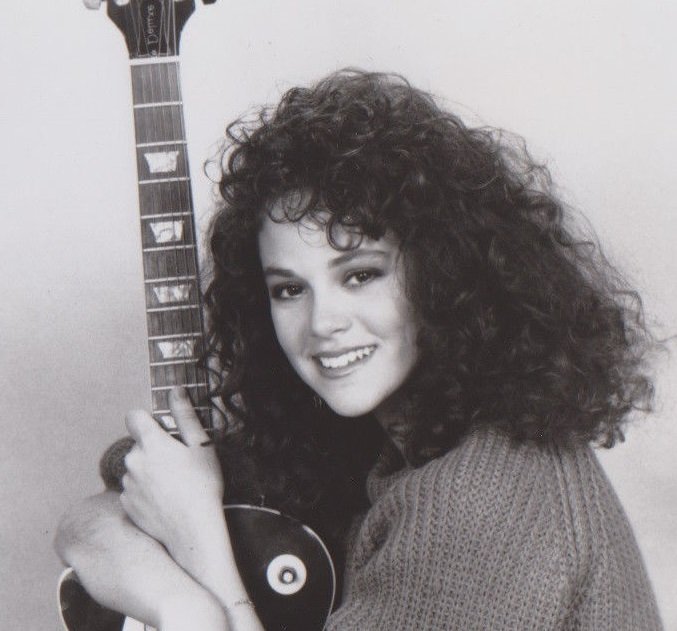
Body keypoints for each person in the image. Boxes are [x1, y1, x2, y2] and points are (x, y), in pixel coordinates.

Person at [55, 70, 664, 630]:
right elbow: (102, 512)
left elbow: (176, 515)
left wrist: (199, 547)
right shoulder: (398, 443)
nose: (323, 324)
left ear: (443, 273)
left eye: (360, 275)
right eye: (290, 289)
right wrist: (181, 605)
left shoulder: (478, 497)